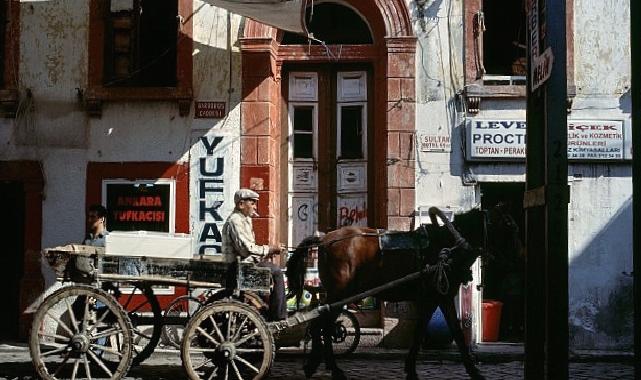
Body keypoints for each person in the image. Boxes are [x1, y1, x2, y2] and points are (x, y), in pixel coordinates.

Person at [222, 189, 287, 321]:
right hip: (239, 267)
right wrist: (269, 249)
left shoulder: (245, 219)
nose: (255, 207)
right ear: (241, 204)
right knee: (277, 272)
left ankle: (270, 309)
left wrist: (269, 251)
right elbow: (246, 249)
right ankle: (278, 317)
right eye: (252, 203)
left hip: (245, 263)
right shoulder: (235, 220)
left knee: (272, 271)